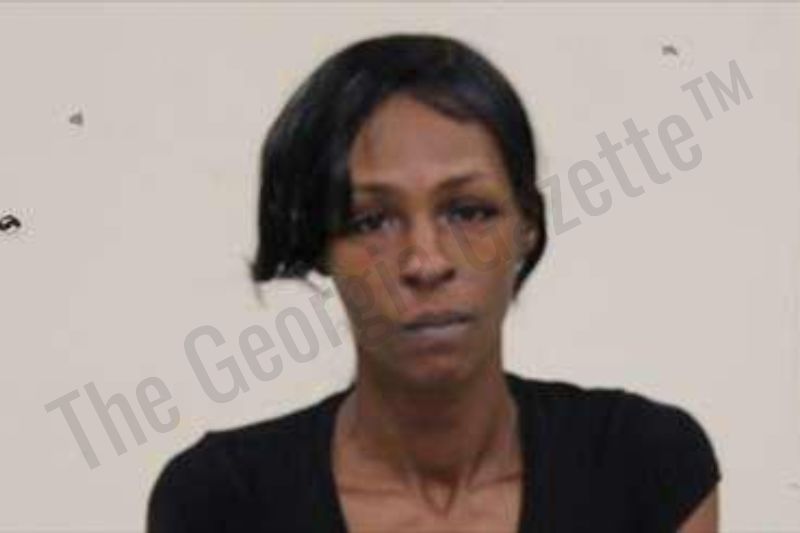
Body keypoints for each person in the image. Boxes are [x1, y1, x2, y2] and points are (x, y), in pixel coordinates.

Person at [146, 33, 721, 533]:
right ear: (321, 247)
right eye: (370, 221)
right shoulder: (222, 502)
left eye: (469, 212)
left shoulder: (645, 470)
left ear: (527, 225)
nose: (425, 262)